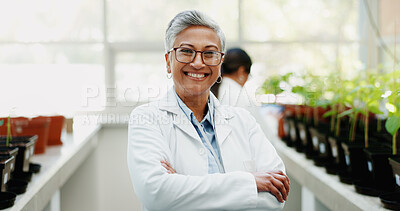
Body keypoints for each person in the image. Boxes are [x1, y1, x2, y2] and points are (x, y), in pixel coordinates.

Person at [127, 10, 289, 211]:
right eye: (186, 51)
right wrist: (250, 182)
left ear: (220, 63)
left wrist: (182, 184)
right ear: (168, 62)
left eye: (209, 53)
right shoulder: (146, 118)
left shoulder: (243, 120)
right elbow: (156, 194)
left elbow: (276, 196)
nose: (197, 62)